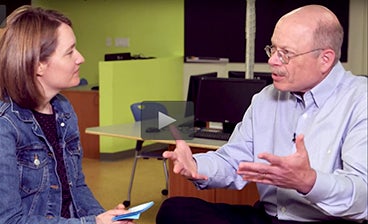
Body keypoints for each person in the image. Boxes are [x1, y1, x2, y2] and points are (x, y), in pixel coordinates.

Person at [156, 4, 367, 224]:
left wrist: (309, 182)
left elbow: (363, 196)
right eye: (272, 49)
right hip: (268, 216)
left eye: (285, 54)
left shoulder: (361, 100)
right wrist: (196, 166)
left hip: (328, 221)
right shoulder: (266, 98)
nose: (272, 61)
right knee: (174, 210)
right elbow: (234, 161)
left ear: (325, 59)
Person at [0, 5, 134, 224]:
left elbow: (77, 187)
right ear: (38, 65)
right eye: (70, 52)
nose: (81, 58)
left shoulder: (62, 109)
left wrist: (105, 217)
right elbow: (6, 221)